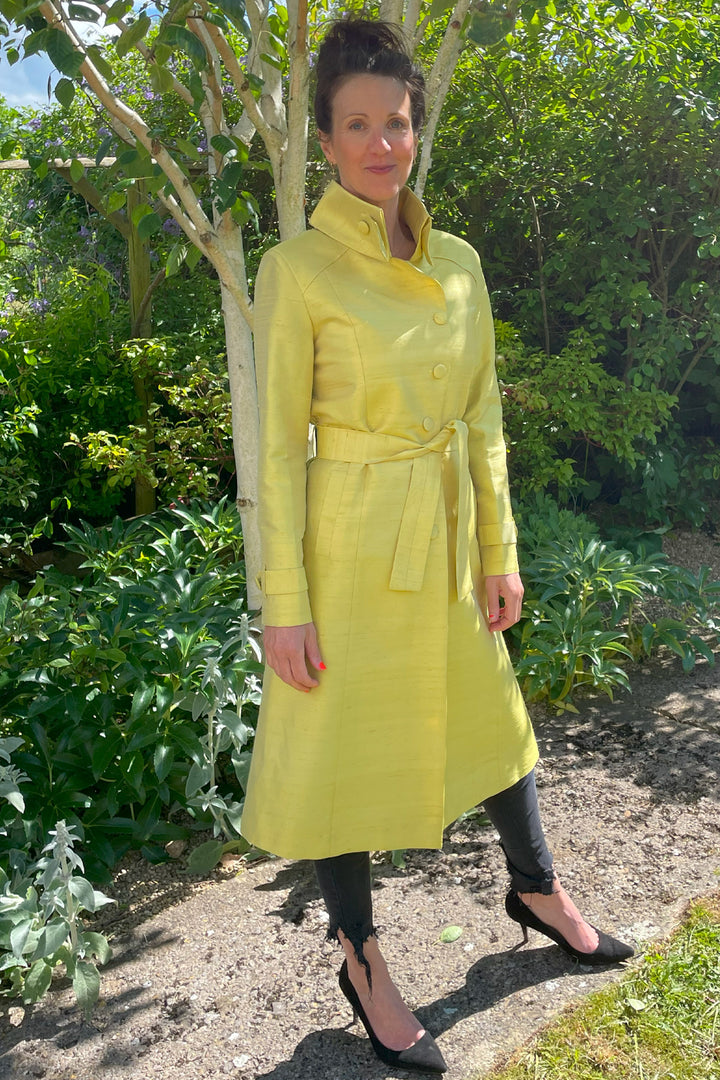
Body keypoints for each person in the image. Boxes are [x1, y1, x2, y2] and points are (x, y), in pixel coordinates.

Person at [241, 18, 633, 1074]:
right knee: (339, 756)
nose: (380, 143)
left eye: (397, 122)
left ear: (418, 131)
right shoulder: (299, 268)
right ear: (324, 139)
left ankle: (536, 885)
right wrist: (284, 600)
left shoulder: (458, 263)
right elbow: (276, 449)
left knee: (496, 723)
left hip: (451, 534)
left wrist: (498, 550)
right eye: (357, 124)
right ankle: (361, 956)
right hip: (347, 545)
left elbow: (484, 415)